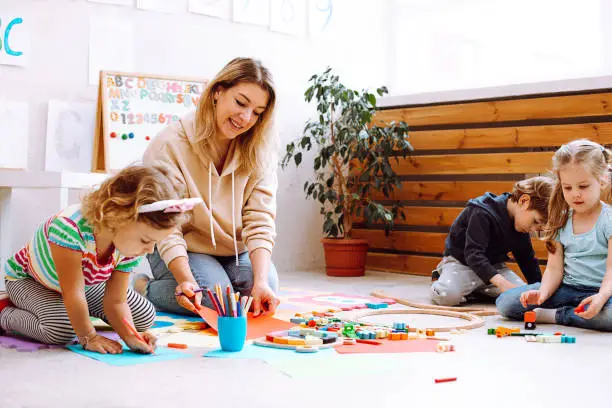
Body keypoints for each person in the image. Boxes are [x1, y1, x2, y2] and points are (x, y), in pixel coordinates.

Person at [136, 57, 280, 317]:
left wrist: (259, 282)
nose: (246, 117)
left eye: (257, 112)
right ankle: (145, 289)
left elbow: (260, 219)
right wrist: (185, 279)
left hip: (233, 249)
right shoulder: (170, 144)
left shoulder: (261, 149)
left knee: (265, 290)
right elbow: (167, 228)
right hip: (181, 243)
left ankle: (231, 282)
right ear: (217, 91)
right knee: (215, 301)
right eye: (240, 102)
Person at [0, 164, 196, 353]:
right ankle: (4, 313)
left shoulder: (129, 248)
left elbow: (116, 301)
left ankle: (75, 314)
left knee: (144, 316)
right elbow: (73, 293)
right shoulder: (69, 228)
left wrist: (130, 336)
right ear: (117, 216)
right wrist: (88, 336)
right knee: (61, 330)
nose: (149, 249)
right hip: (30, 282)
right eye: (146, 240)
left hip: (83, 285)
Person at [497, 139, 612, 331]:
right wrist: (542, 293)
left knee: (609, 316)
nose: (575, 194)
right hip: (566, 289)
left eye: (583, 187)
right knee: (505, 303)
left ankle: (557, 315)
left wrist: (601, 297)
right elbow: (554, 269)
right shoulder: (561, 219)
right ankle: (570, 312)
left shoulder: (608, 220)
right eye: (568, 187)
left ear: (602, 181)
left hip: (603, 292)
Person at [430, 176, 553, 306]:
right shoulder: (482, 212)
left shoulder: (521, 225)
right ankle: (439, 276)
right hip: (462, 265)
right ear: (524, 201)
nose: (532, 229)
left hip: (494, 269)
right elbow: (473, 255)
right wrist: (503, 284)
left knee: (521, 297)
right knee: (447, 296)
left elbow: (527, 259)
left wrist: (540, 290)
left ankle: (475, 290)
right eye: (535, 222)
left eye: (538, 228)